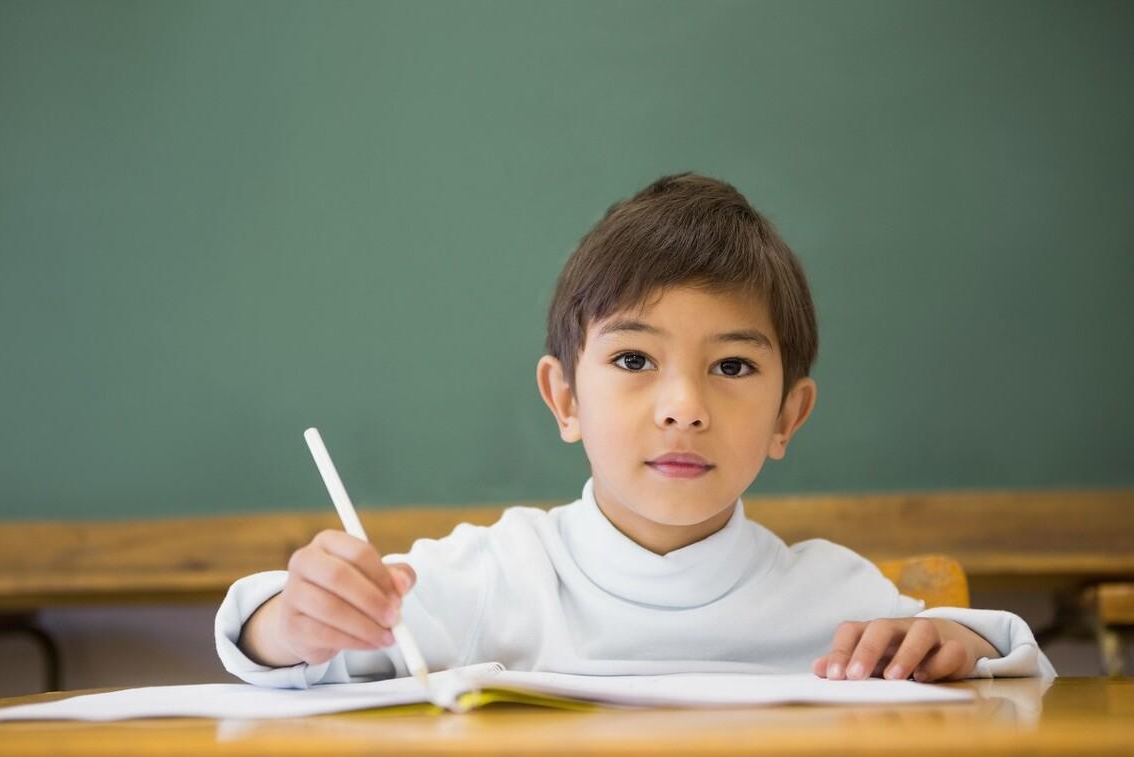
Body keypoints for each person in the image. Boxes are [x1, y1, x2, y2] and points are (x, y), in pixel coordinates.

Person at [215, 172, 1056, 689]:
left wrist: (957, 641)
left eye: (732, 368)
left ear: (787, 417)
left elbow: (1016, 668)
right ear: (563, 400)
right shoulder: (493, 578)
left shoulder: (835, 600)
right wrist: (291, 620)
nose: (682, 406)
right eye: (632, 362)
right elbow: (281, 650)